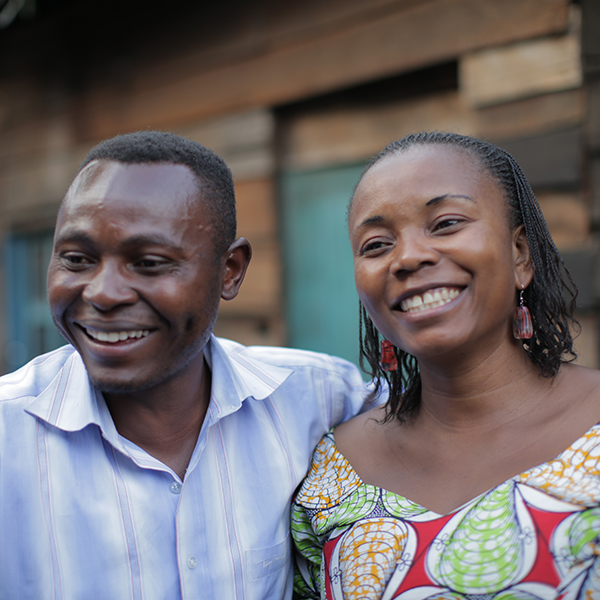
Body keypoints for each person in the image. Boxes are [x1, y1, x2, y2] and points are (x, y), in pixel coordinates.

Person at [0, 131, 371, 600]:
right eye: (76, 259)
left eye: (150, 262)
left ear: (230, 270)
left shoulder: (321, 398)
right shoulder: (8, 436)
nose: (101, 293)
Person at [291, 132, 600, 599]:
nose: (409, 256)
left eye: (446, 223)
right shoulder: (329, 478)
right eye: (376, 245)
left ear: (520, 255)